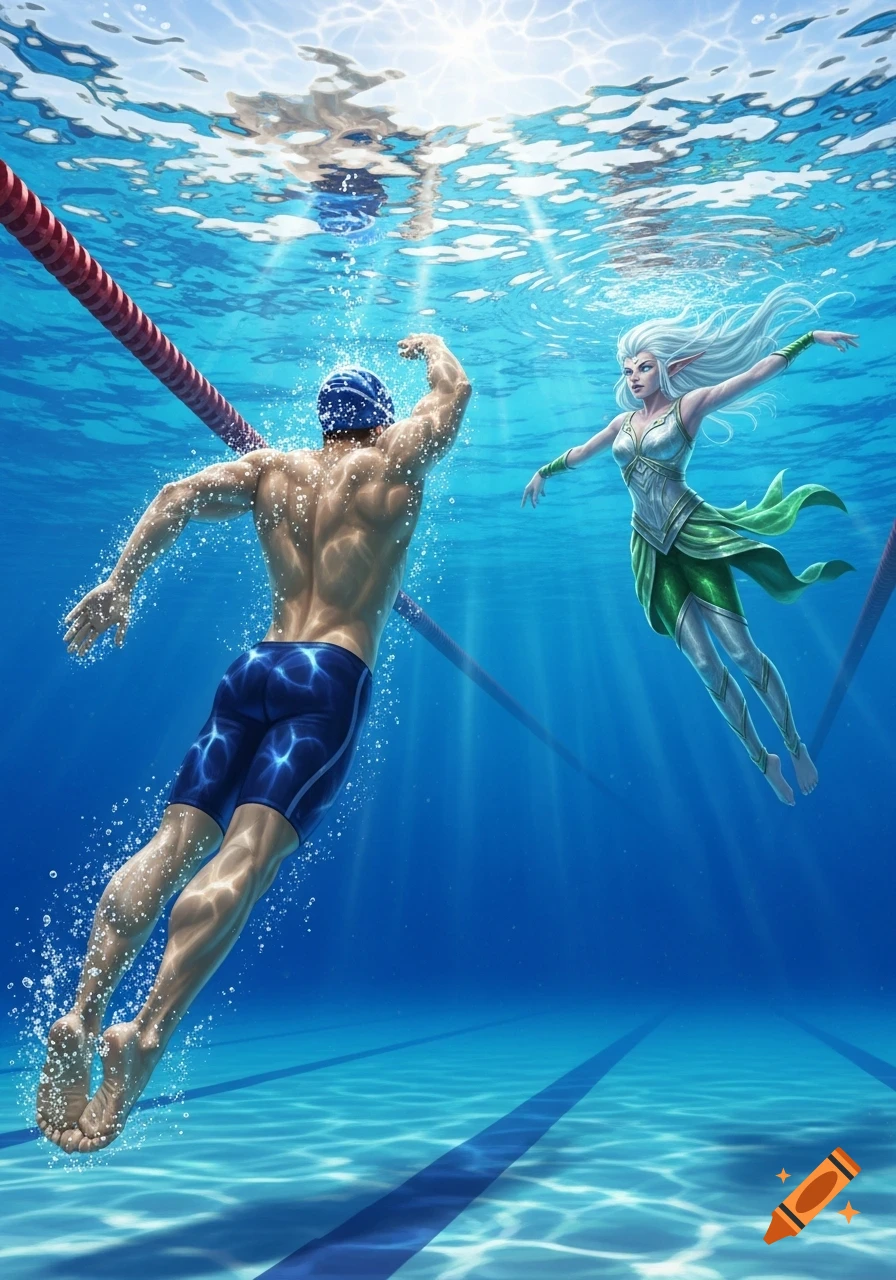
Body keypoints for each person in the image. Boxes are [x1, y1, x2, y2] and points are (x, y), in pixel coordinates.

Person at [36, 333, 471, 1154]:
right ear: (379, 421)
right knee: (245, 857)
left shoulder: (273, 471)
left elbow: (172, 495)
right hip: (326, 678)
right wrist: (434, 348)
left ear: (322, 420)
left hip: (254, 670)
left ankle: (82, 1009)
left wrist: (120, 582)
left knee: (169, 843)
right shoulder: (392, 464)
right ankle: (145, 1033)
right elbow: (455, 396)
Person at [522, 287, 857, 806]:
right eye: (628, 370)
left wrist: (808, 339)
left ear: (668, 368)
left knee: (743, 654)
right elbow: (583, 452)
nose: (633, 378)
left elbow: (750, 376)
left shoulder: (689, 406)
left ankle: (793, 744)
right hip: (649, 553)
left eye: (643, 367)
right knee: (705, 665)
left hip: (693, 537)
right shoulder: (620, 424)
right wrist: (544, 471)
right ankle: (760, 757)